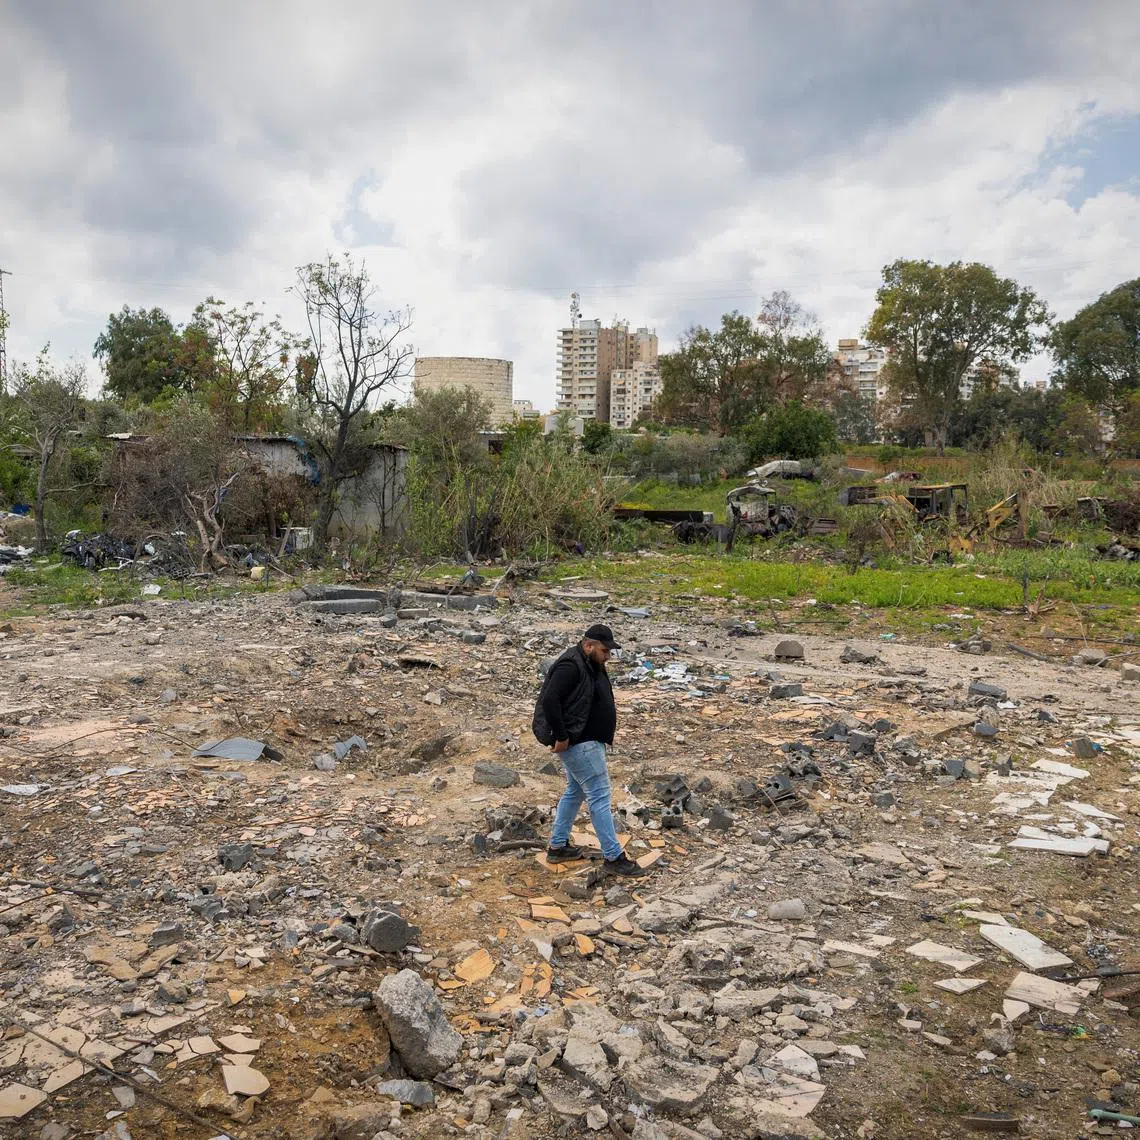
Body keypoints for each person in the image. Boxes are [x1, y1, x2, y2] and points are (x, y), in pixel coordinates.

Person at [537, 623, 646, 877]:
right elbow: (550, 699)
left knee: (575, 791)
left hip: (586, 740)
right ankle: (613, 856)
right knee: (599, 795)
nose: (608, 655)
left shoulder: (589, 663)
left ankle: (558, 845)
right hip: (579, 742)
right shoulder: (570, 665)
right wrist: (562, 737)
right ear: (588, 645)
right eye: (605, 650)